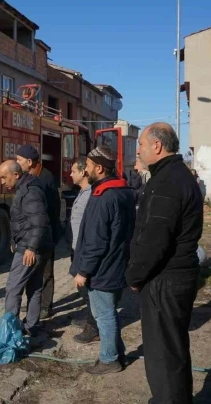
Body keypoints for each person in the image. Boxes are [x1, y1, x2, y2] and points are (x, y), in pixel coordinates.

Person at [126, 122, 203, 404]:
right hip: (174, 276)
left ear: (157, 146)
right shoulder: (174, 175)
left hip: (165, 279)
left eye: (142, 145)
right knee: (172, 346)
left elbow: (155, 238)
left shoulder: (167, 181)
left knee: (162, 352)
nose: (139, 150)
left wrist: (134, 276)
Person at [72, 146, 136, 374]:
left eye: (88, 165)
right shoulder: (123, 191)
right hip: (117, 264)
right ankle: (117, 354)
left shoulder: (102, 197)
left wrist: (83, 270)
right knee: (108, 312)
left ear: (99, 168)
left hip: (103, 268)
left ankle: (109, 360)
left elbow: (95, 240)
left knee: (104, 315)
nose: (85, 169)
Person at [0, 160, 53, 337]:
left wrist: (31, 248)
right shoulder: (28, 188)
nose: (2, 182)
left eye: (4, 177)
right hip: (35, 245)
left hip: (31, 248)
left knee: (13, 287)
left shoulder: (29, 192)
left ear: (16, 175)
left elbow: (39, 223)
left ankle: (9, 328)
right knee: (34, 286)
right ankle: (31, 326)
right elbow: (24, 220)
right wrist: (13, 240)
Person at [16, 145, 60, 319]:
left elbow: (51, 210)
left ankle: (45, 307)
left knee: (46, 272)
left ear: (29, 162)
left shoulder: (46, 178)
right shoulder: (30, 176)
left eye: (19, 160)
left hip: (46, 233)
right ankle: (35, 304)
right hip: (34, 233)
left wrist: (49, 235)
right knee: (33, 272)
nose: (17, 163)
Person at [67, 156, 98, 343]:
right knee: (83, 289)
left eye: (73, 171)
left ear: (83, 172)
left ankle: (94, 327)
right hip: (77, 249)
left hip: (85, 250)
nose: (70, 174)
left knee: (89, 289)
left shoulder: (91, 194)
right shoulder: (82, 191)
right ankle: (90, 318)